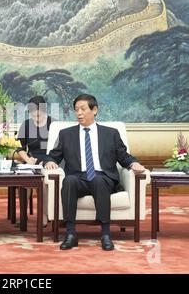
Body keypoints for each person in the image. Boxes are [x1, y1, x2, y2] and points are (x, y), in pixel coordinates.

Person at [44, 94, 145, 251]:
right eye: (76, 110)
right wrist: (50, 161)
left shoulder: (111, 133)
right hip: (79, 178)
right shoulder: (66, 134)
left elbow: (123, 155)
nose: (79, 113)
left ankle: (105, 234)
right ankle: (70, 233)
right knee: (69, 180)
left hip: (103, 178)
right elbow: (53, 155)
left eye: (83, 109)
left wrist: (133, 163)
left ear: (95, 110)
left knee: (98, 180)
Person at [17, 96, 53, 226]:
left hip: (49, 159)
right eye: (32, 113)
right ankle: (23, 215)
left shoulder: (53, 124)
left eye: (38, 114)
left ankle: (44, 214)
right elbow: (20, 148)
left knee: (43, 182)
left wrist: (50, 160)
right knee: (24, 181)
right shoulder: (26, 124)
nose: (35, 116)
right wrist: (27, 159)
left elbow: (59, 148)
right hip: (32, 159)